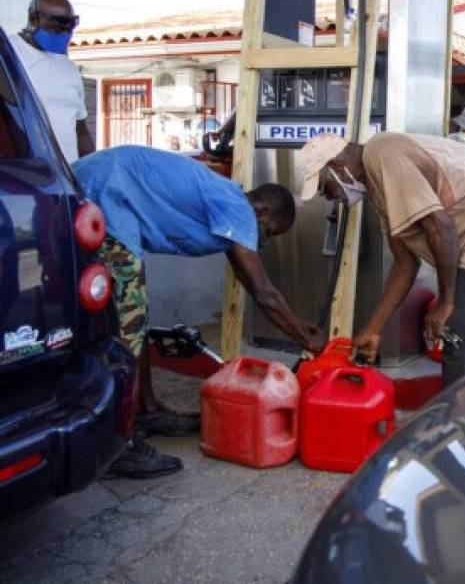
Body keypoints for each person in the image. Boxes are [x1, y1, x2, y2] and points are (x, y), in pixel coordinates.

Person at [73, 146, 325, 478]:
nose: (263, 242)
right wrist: (306, 339)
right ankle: (119, 443)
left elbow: (250, 281)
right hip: (104, 189)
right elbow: (263, 291)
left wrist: (297, 325)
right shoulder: (237, 208)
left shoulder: (230, 204)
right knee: (128, 325)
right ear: (261, 212)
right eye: (269, 233)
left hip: (112, 193)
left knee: (136, 315)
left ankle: (146, 410)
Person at [294, 132, 465, 386]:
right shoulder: (377, 181)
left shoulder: (383, 154)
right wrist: (374, 328)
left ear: (337, 167)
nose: (330, 198)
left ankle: (463, 417)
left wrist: (446, 302)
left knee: (461, 337)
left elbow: (441, 227)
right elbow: (405, 262)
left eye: (324, 188)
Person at [9, 0, 94, 162]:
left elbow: (81, 130)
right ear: (34, 19)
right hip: (23, 179)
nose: (63, 34)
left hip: (66, 181)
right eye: (56, 26)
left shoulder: (69, 69)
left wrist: (91, 168)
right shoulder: (8, 54)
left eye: (68, 27)